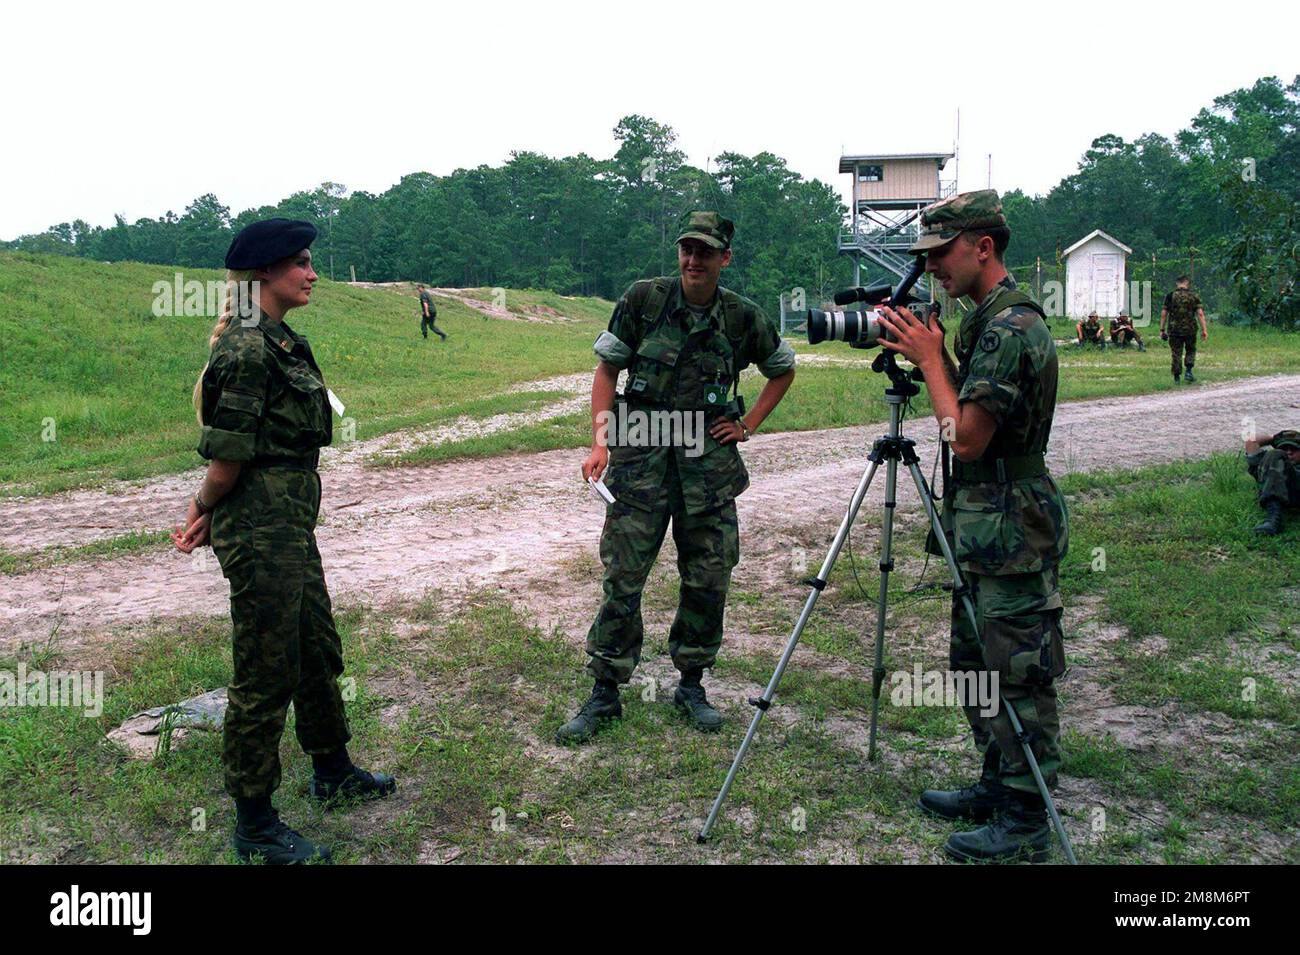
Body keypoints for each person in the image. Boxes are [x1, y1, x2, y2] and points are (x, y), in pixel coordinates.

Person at [173, 218, 395, 864]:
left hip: (290, 521)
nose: (312, 273)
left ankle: (332, 770)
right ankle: (255, 823)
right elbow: (226, 460)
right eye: (300, 262)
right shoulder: (245, 347)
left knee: (316, 649)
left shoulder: (282, 342)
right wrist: (200, 508)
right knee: (266, 670)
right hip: (261, 525)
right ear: (265, 273)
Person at [875, 190, 1068, 863]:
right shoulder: (986, 323)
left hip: (1011, 525)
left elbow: (967, 439)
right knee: (974, 662)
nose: (932, 270)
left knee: (1014, 669)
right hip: (982, 525)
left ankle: (1024, 818)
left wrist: (930, 360)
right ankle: (996, 781)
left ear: (983, 247)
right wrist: (932, 350)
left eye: (941, 254)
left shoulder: (1014, 327)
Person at [556, 211, 796, 744]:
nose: (694, 259)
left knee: (708, 578)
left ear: (724, 258)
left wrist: (748, 424)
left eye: (706, 252)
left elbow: (783, 368)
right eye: (688, 249)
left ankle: (691, 683)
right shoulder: (644, 300)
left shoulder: (741, 316)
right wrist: (600, 441)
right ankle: (605, 691)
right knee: (623, 577)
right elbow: (606, 371)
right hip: (640, 461)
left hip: (708, 468)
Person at [1245, 429, 1300, 536]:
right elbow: (1251, 441)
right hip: (1278, 492)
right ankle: (1274, 518)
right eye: (1284, 448)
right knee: (1274, 455)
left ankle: (1274, 518)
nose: (1288, 452)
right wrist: (1274, 438)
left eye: (1294, 449)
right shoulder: (1269, 464)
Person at [1160, 275, 1208, 383]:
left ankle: (1177, 378)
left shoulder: (1170, 296)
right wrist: (1204, 330)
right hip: (1190, 329)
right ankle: (1188, 372)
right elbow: (1200, 314)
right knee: (1190, 350)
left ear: (1177, 283)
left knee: (1176, 352)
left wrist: (1162, 329)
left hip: (1174, 329)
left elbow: (1164, 314)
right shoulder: (1193, 296)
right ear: (1187, 283)